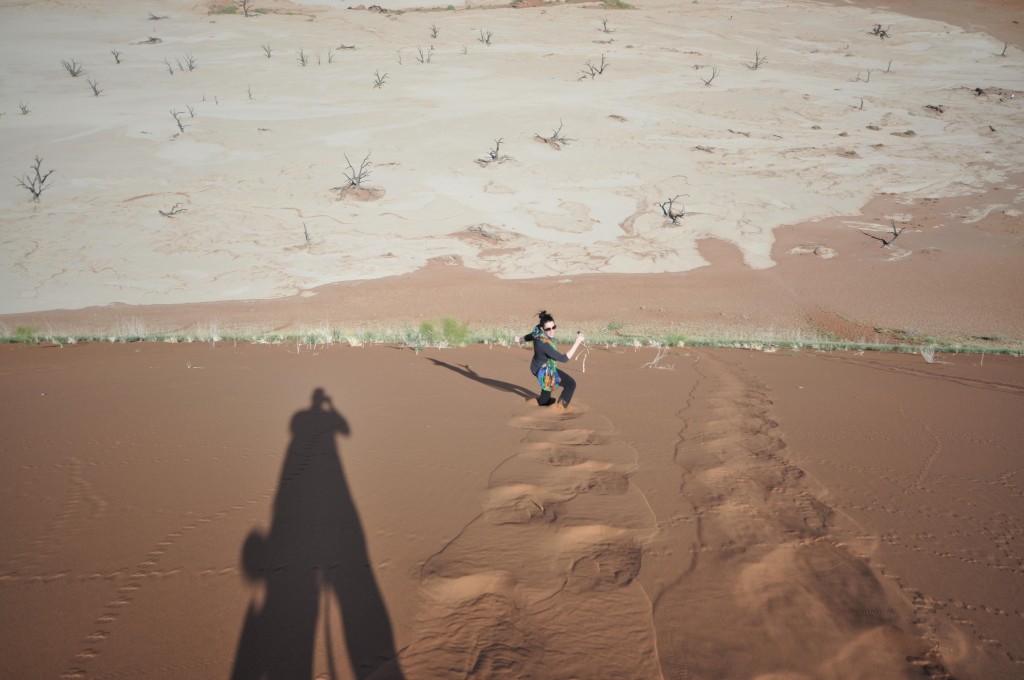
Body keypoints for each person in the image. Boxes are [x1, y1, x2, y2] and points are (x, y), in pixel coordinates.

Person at [522, 310, 585, 409]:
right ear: (543, 329)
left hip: (537, 366)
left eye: (554, 327)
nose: (552, 331)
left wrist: (520, 339)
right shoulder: (543, 344)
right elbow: (563, 359)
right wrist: (577, 342)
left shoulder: (537, 330)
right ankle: (559, 409)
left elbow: (531, 335)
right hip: (542, 369)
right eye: (548, 329)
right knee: (570, 384)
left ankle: (541, 406)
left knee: (547, 388)